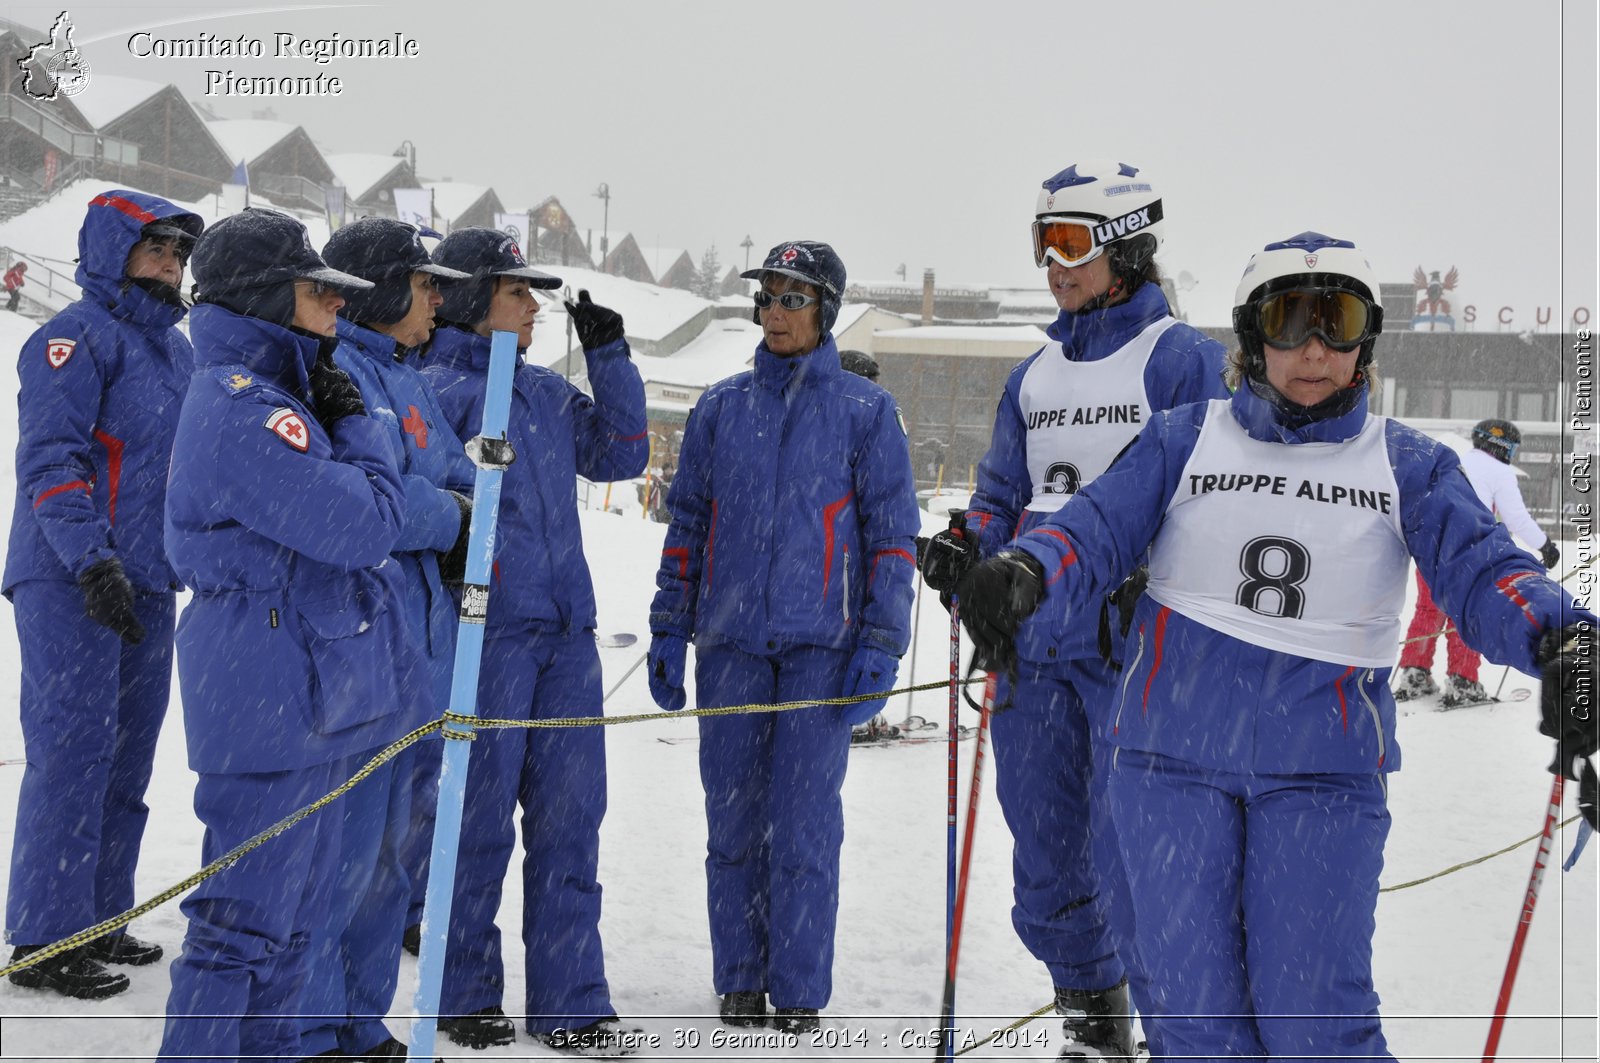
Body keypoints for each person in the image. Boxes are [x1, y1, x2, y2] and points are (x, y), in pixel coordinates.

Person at [951, 232, 1597, 1062]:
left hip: (1321, 771)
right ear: (1255, 334)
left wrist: (1564, 636)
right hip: (1168, 761)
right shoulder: (1186, 436)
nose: (1317, 348)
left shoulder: (1408, 462)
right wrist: (1025, 570)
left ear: (1368, 339)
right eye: (1293, 319)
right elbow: (1094, 527)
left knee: (1314, 1018)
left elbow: (1485, 570)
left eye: (1341, 320)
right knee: (1192, 1016)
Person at [917, 159, 1227, 1057]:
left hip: (1132, 648)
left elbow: (1211, 496)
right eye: (1042, 242)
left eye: (1072, 242)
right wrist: (967, 544)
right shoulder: (1035, 373)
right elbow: (1003, 488)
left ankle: (1176, 1029)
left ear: (1126, 247)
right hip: (1031, 646)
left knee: (1138, 857)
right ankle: (1093, 1021)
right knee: (1046, 864)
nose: (1053, 263)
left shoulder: (1180, 358)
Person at [157, 207, 427, 1062]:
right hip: (263, 687)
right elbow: (368, 524)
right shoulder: (244, 407)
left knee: (294, 929)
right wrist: (360, 426)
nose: (337, 308)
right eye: (319, 291)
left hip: (300, 686)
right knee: (242, 928)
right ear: (271, 298)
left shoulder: (280, 392)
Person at [647, 240, 920, 1033]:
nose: (775, 312)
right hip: (730, 646)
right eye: (767, 297)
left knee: (803, 824)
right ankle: (738, 975)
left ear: (825, 310)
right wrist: (670, 623)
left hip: (820, 649)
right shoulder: (719, 408)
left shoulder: (867, 415)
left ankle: (798, 985)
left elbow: (894, 535)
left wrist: (881, 638)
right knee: (731, 820)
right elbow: (688, 524)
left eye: (793, 298)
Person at [420, 228, 647, 1054]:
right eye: (518, 292)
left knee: (570, 821)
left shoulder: (548, 395)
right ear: (476, 297)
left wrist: (611, 355)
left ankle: (571, 997)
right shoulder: (434, 393)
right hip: (486, 637)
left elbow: (623, 451)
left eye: (536, 292)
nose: (535, 306)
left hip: (565, 639)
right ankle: (461, 989)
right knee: (474, 822)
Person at [281, 217, 476, 1059]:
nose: (437, 300)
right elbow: (375, 501)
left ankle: (361, 1018)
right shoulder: (336, 370)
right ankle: (316, 1023)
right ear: (386, 285)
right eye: (424, 284)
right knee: (345, 851)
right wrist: (447, 518)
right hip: (364, 637)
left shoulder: (412, 378)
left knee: (396, 853)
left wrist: (455, 512)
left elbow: (465, 478)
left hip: (424, 643)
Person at [4, 191, 201, 999]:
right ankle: (46, 934)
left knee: (127, 757)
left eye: (179, 252)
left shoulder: (178, 354)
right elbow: (53, 460)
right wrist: (90, 560)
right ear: (112, 246)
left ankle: (100, 915)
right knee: (74, 751)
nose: (171, 262)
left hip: (149, 581)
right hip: (70, 576)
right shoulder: (70, 338)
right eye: (154, 246)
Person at [1395, 417, 1560, 707]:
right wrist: (1545, 546)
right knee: (1466, 613)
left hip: (1431, 548)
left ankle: (1414, 673)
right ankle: (1463, 682)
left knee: (1427, 611)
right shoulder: (1499, 471)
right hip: (1469, 552)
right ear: (1503, 445)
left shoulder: (1454, 461)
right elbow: (1516, 517)